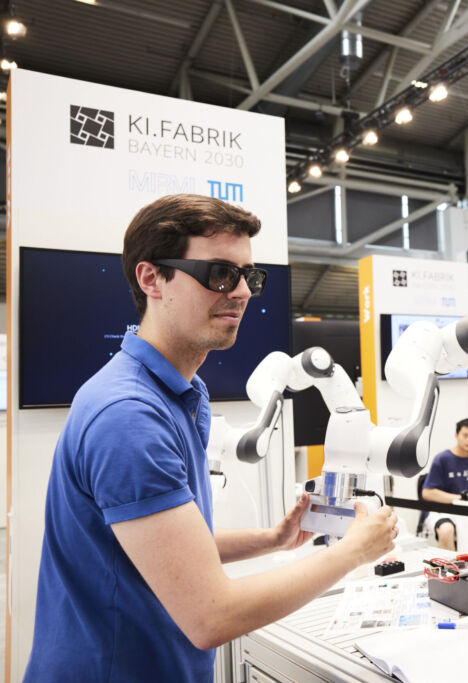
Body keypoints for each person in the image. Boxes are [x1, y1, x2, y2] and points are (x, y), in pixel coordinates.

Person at [24, 194, 398, 682]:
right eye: (220, 273)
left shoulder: (183, 393)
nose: (241, 292)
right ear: (151, 278)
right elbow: (211, 616)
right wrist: (353, 552)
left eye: (249, 277)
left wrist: (271, 540)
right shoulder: (129, 416)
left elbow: (168, 551)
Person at [420, 418, 468, 550]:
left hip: (467, 511)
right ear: (456, 435)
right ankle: (449, 563)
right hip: (441, 512)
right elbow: (427, 493)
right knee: (446, 531)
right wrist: (460, 498)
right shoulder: (442, 459)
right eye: (465, 435)